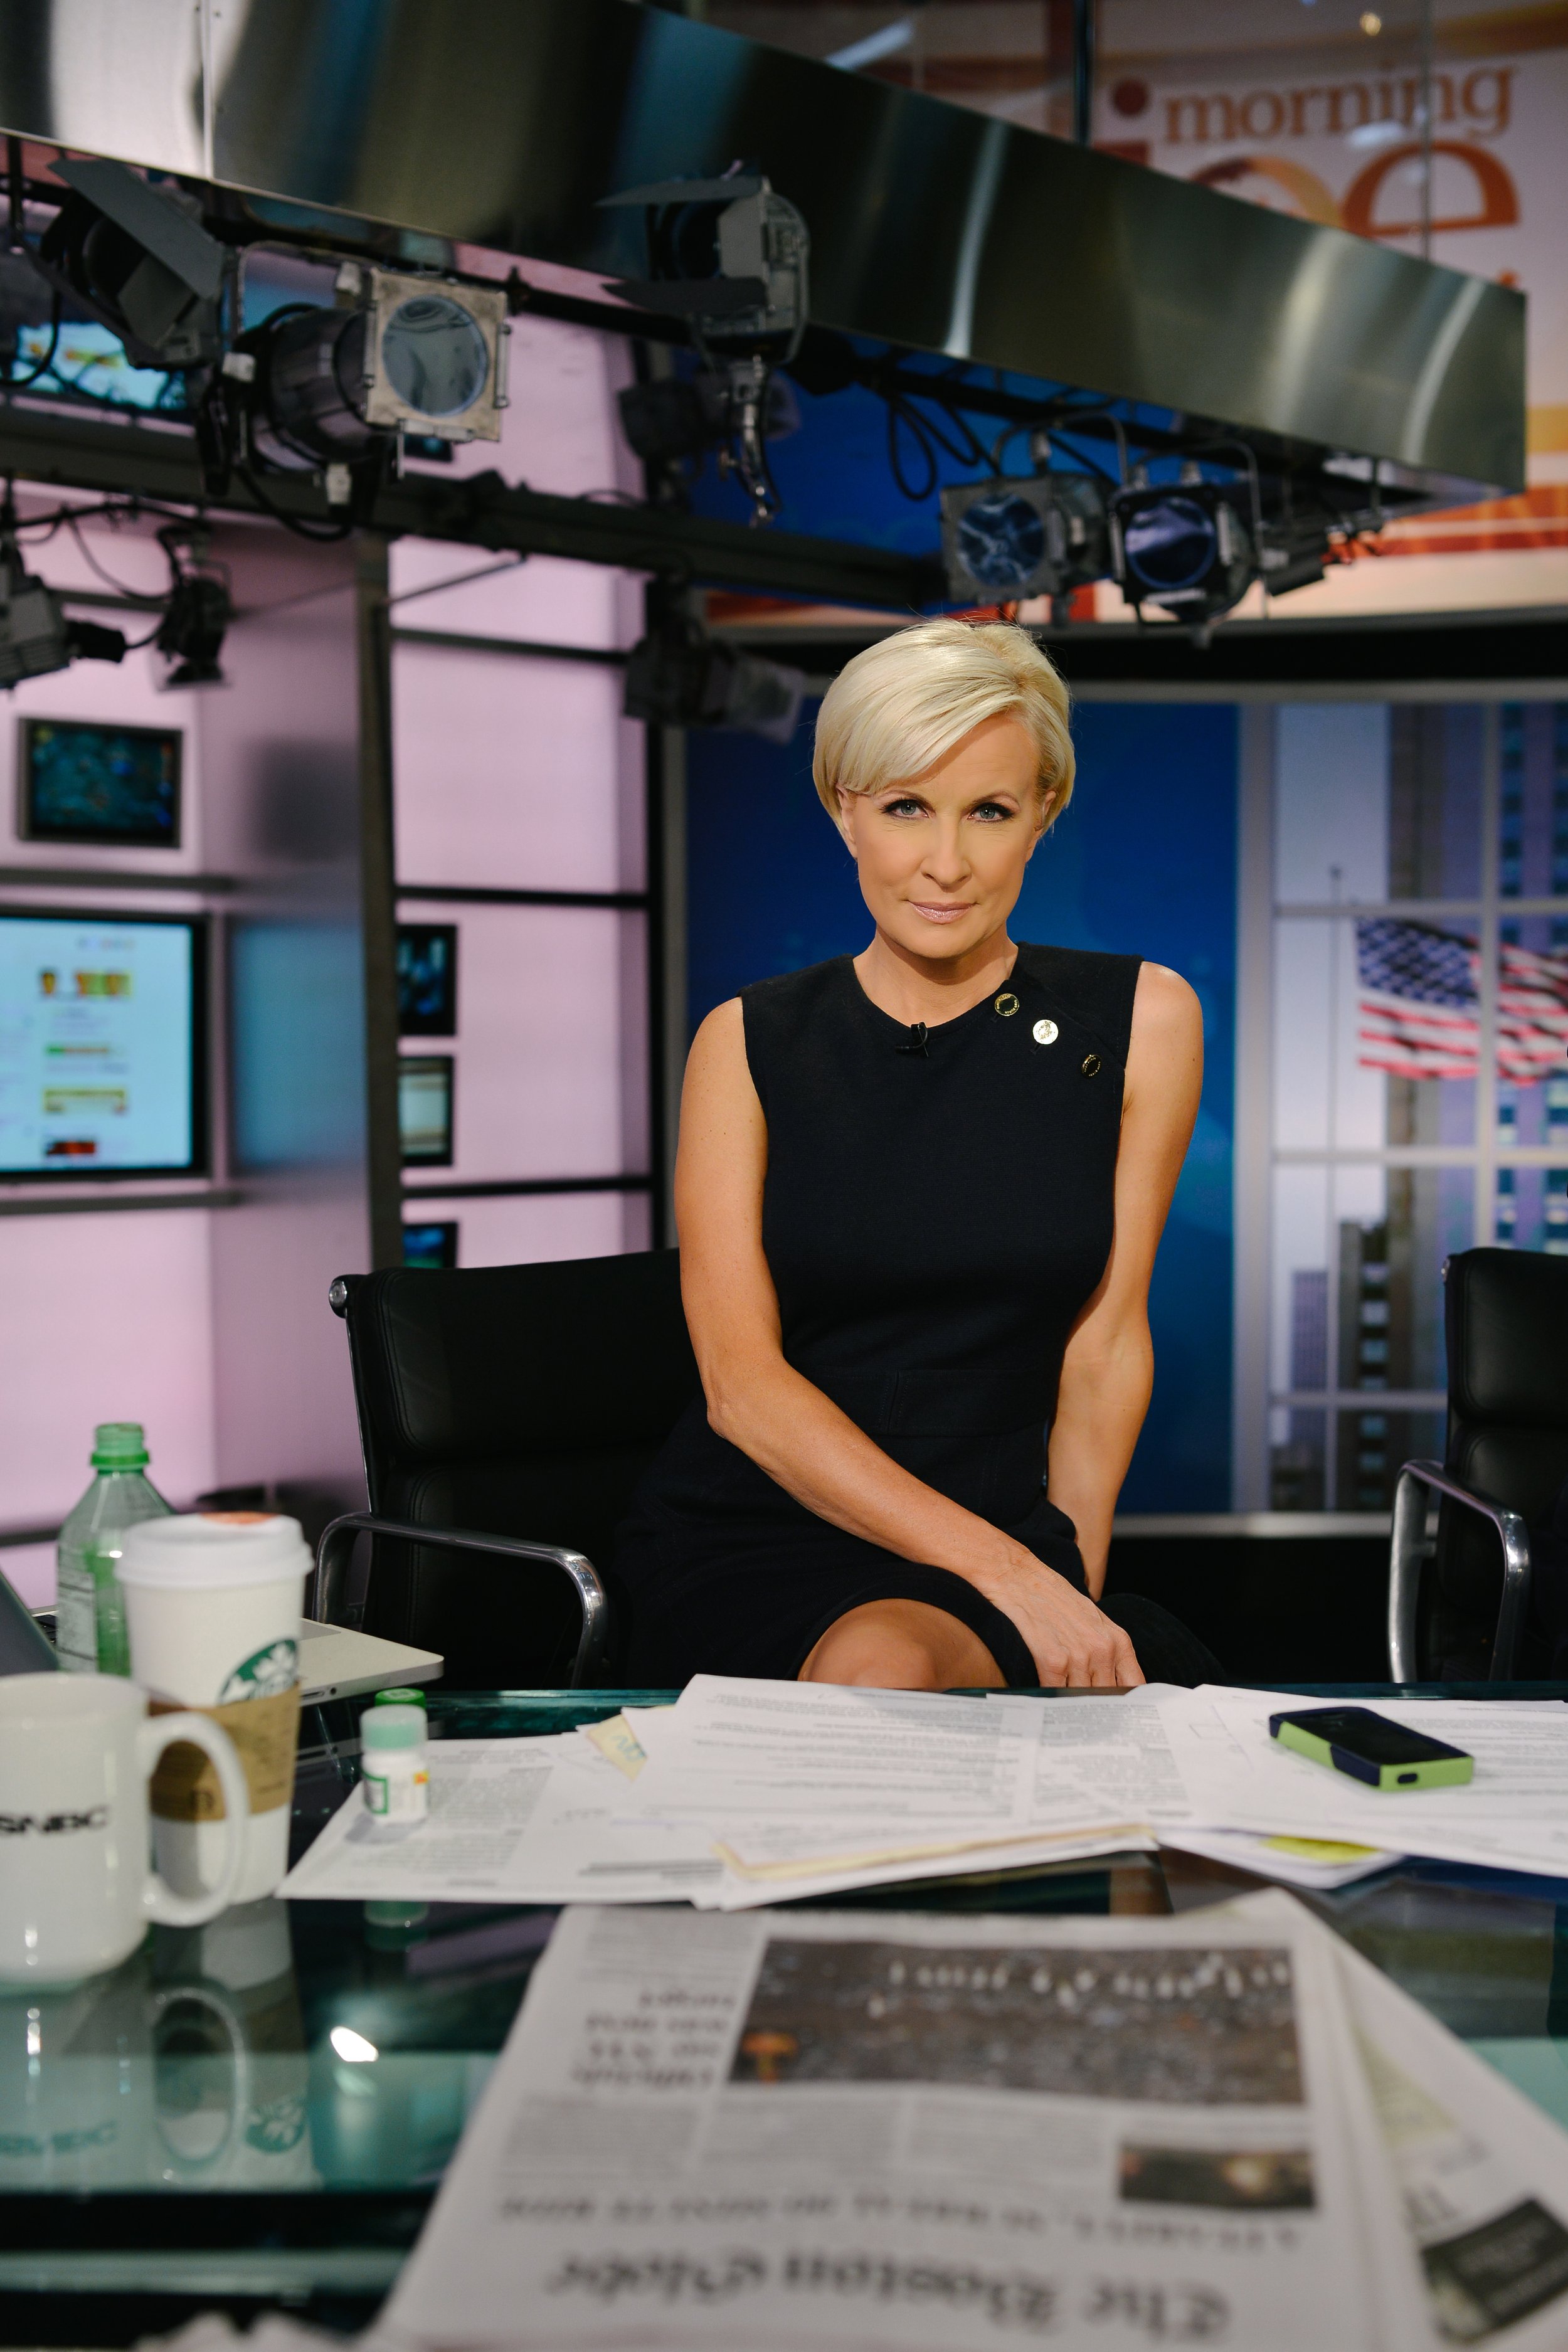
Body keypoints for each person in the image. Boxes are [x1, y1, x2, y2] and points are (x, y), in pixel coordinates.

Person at [613, 617, 1218, 1691]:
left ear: (1043, 814)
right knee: (876, 1671)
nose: (946, 862)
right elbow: (741, 1388)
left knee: (898, 1668)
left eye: (988, 810)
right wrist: (1019, 1580)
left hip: (993, 1529)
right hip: (756, 1526)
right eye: (905, 807)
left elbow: (1105, 1347)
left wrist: (1064, 1581)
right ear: (845, 811)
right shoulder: (746, 1040)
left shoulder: (1143, 1019)